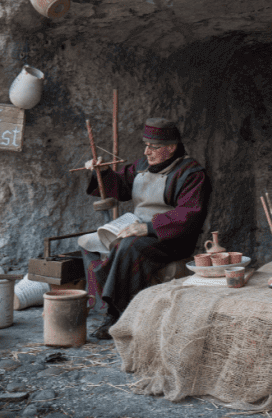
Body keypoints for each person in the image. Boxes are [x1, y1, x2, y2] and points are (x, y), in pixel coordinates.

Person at [79, 117, 211, 339]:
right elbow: (120, 187)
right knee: (88, 241)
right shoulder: (142, 166)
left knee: (127, 246)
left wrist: (148, 228)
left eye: (154, 147)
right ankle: (100, 303)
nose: (147, 151)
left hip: (171, 237)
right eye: (146, 145)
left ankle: (117, 314)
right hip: (137, 228)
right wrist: (101, 173)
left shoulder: (191, 174)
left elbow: (189, 214)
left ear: (171, 148)